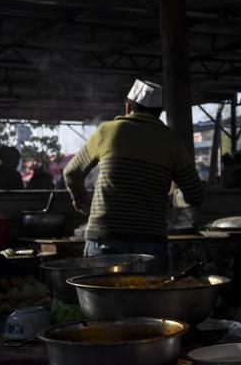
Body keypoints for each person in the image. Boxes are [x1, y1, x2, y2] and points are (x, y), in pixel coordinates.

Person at [63, 79, 205, 262]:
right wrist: (172, 199)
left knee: (101, 291)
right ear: (158, 113)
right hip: (150, 242)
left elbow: (71, 173)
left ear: (127, 107)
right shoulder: (172, 142)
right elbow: (195, 193)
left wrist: (80, 198)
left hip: (105, 237)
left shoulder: (106, 131)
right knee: (147, 291)